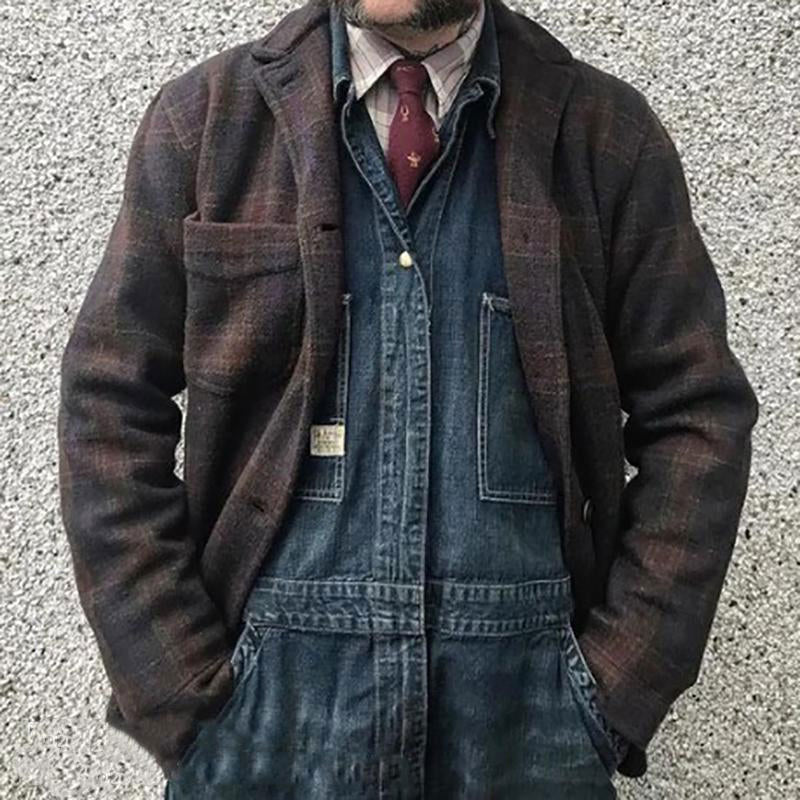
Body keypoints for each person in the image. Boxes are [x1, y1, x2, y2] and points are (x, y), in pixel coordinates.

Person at [56, 0, 760, 796]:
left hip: (527, 733)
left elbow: (698, 414)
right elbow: (107, 404)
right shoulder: (209, 122)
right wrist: (182, 695)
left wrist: (612, 691)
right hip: (259, 732)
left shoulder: (605, 136)